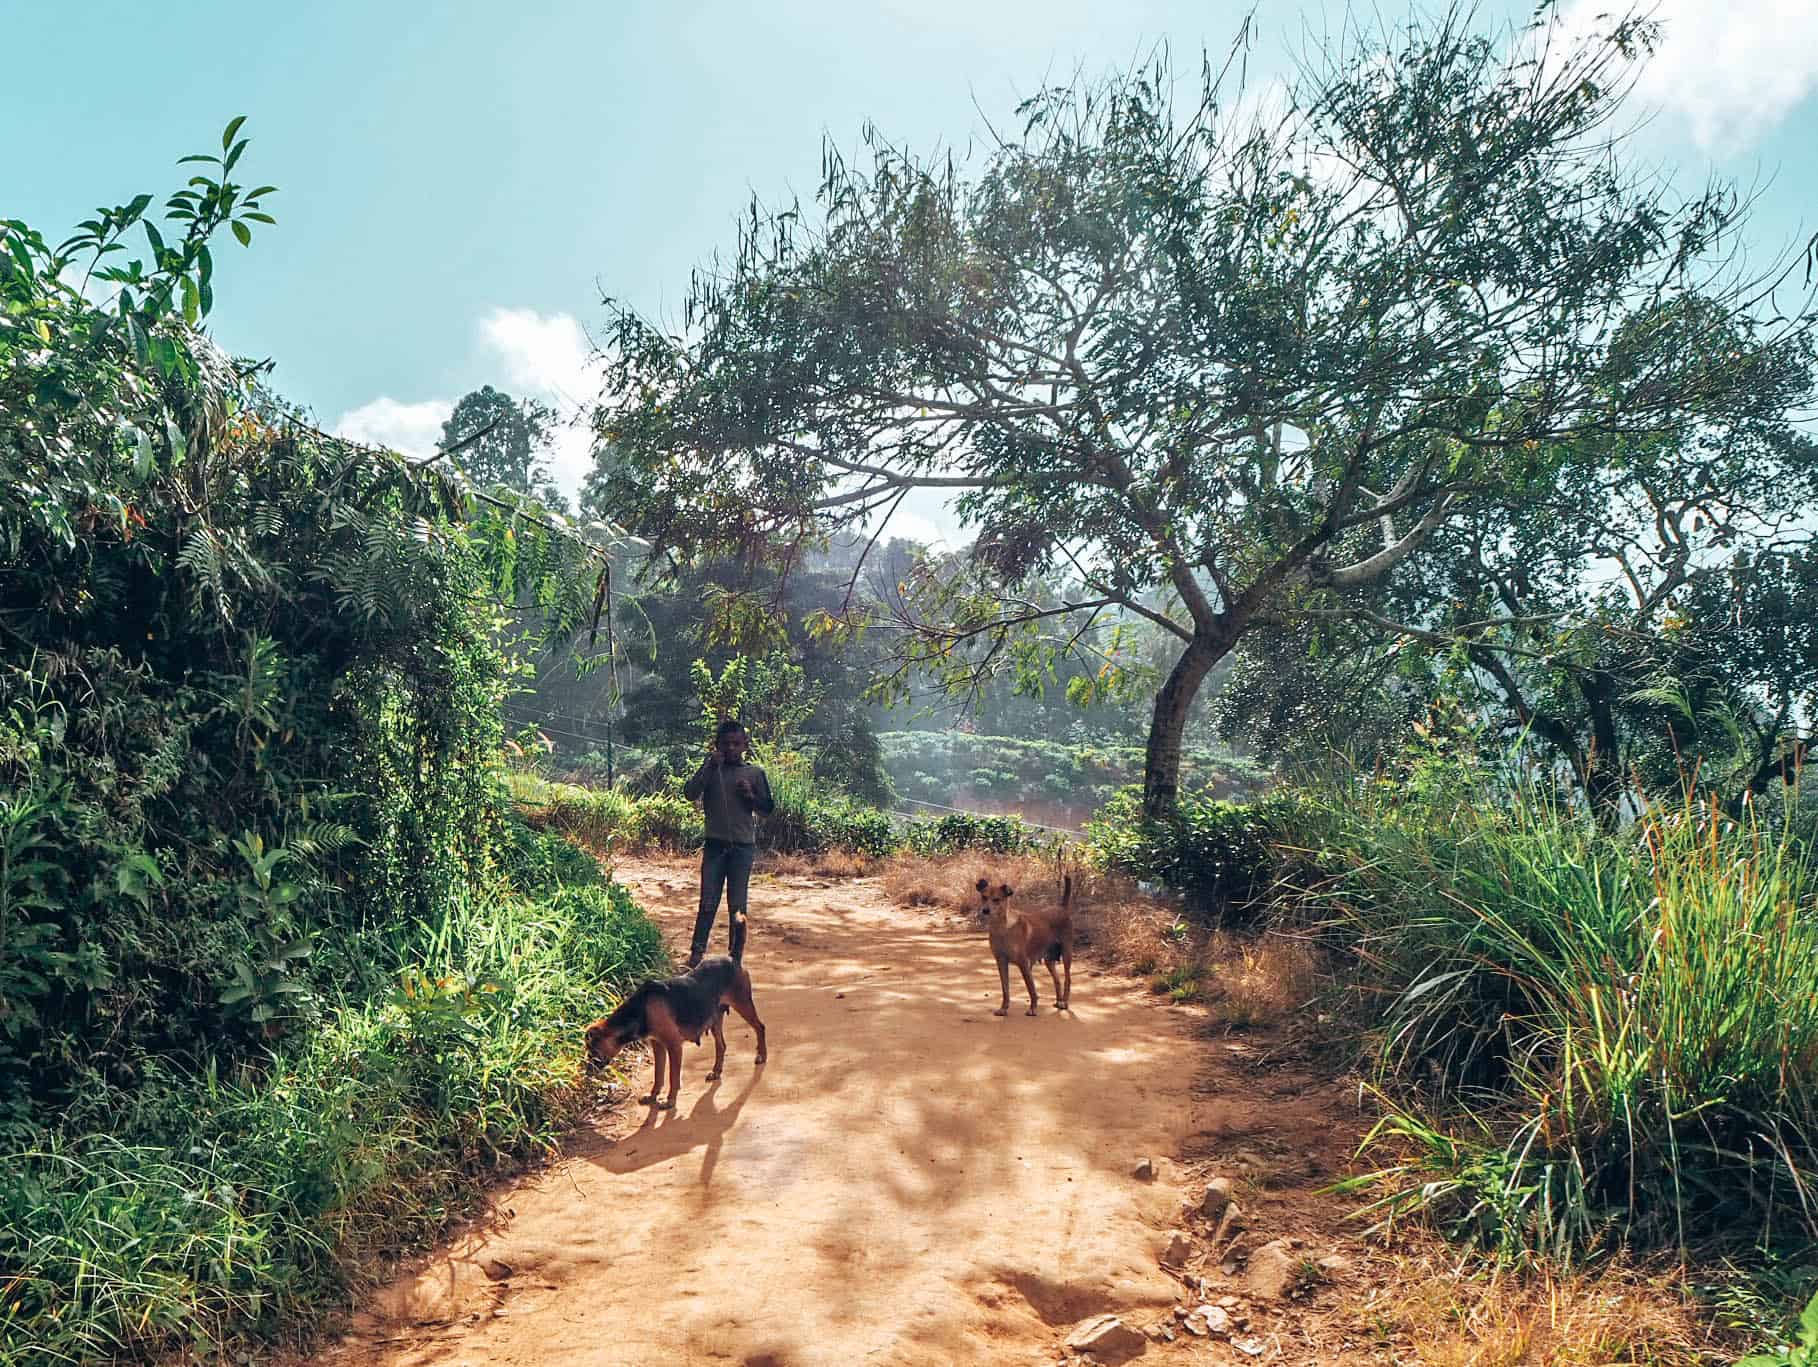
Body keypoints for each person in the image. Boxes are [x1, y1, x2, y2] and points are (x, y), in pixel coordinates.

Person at [681, 719, 776, 967]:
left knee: (737, 905)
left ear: (746, 745)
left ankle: (735, 959)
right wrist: (709, 767)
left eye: (736, 743)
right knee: (708, 902)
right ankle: (696, 953)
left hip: (743, 848)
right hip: (715, 845)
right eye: (726, 744)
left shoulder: (754, 773)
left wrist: (750, 796)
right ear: (717, 746)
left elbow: (767, 810)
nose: (731, 748)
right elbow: (689, 793)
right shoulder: (711, 769)